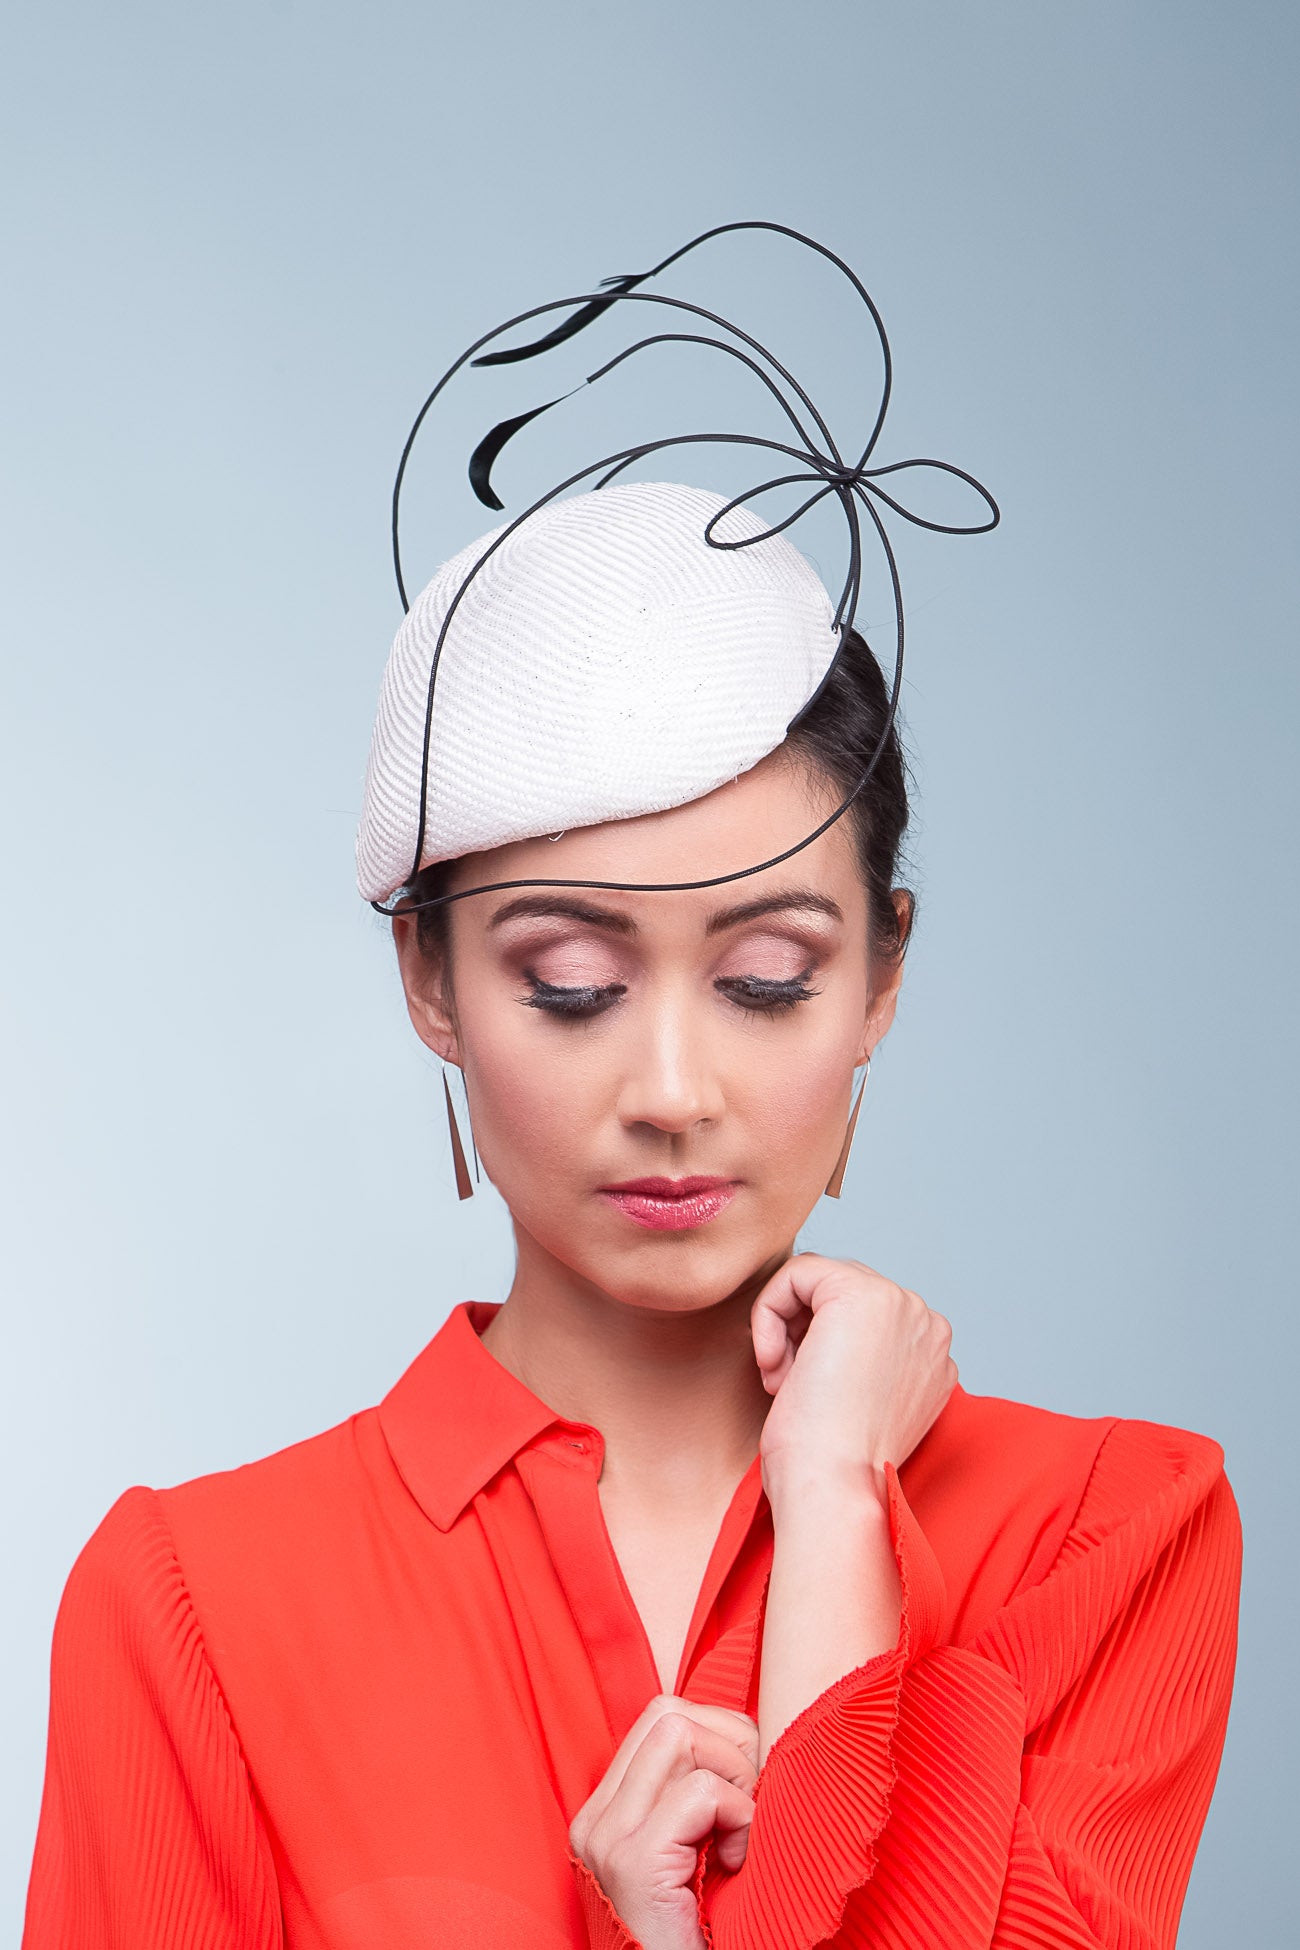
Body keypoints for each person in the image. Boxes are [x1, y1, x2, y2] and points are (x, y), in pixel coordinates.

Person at [22, 228, 1241, 1950]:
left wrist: (836, 1507)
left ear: (882, 977)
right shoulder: (197, 1604)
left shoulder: (1104, 1534)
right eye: (574, 983)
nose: (672, 1086)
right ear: (430, 980)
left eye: (767, 978)